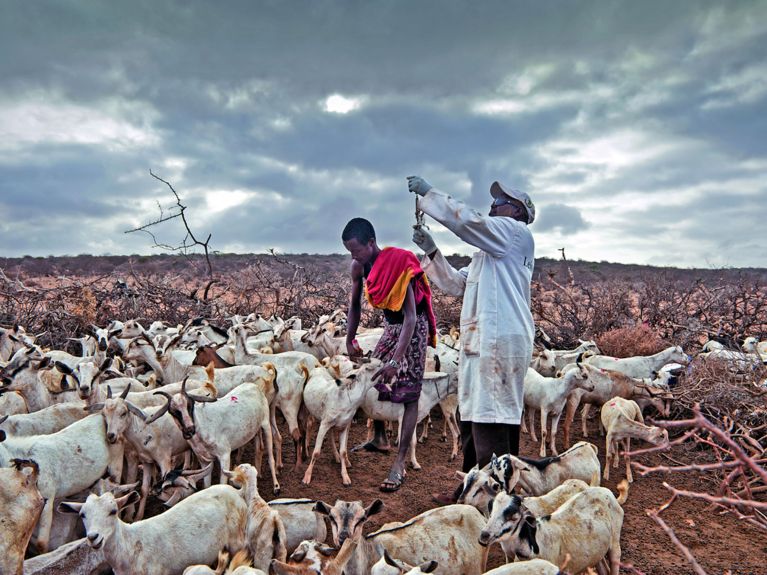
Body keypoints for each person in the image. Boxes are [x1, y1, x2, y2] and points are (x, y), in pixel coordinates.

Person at [406, 175, 536, 505]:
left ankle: (493, 499)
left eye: (499, 203)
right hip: (484, 342)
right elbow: (457, 285)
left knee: (492, 414)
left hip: (499, 340)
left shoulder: (515, 234)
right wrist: (431, 250)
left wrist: (430, 196)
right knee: (474, 412)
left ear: (517, 211)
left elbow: (471, 222)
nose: (492, 207)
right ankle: (469, 489)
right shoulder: (488, 255)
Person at [341, 217, 438, 492]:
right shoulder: (358, 267)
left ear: (371, 243)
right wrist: (350, 338)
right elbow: (355, 306)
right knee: (375, 375)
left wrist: (397, 360)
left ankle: (400, 462)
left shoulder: (399, 263)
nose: (354, 256)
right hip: (391, 325)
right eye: (350, 252)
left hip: (413, 327)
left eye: (357, 250)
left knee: (408, 392)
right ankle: (380, 438)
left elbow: (409, 316)